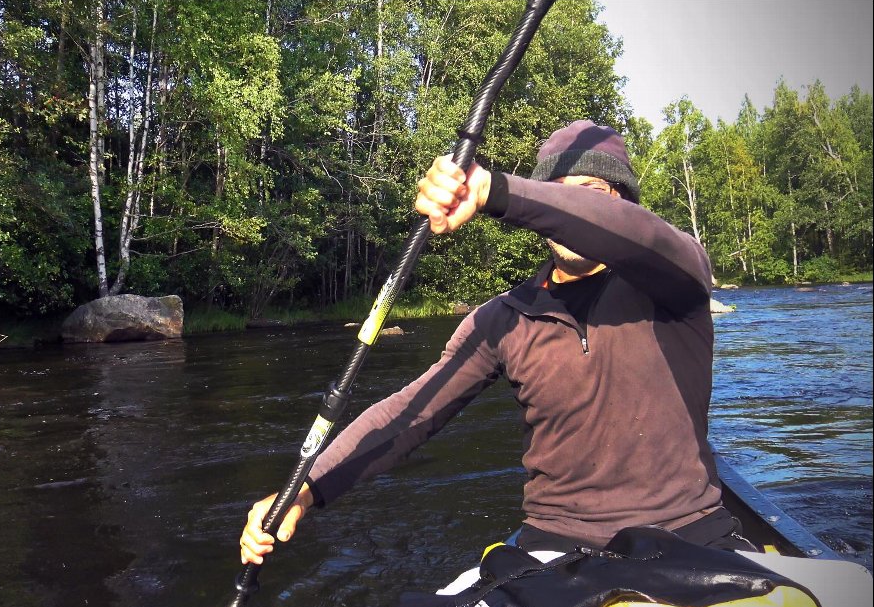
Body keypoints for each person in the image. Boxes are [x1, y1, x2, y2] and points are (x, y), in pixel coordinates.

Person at [239, 120, 753, 572]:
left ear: (620, 201)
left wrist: (493, 189)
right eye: (558, 192)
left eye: (589, 191)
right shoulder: (503, 318)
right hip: (555, 548)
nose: (570, 207)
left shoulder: (673, 281)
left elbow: (643, 236)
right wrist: (305, 488)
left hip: (689, 534)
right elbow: (409, 413)